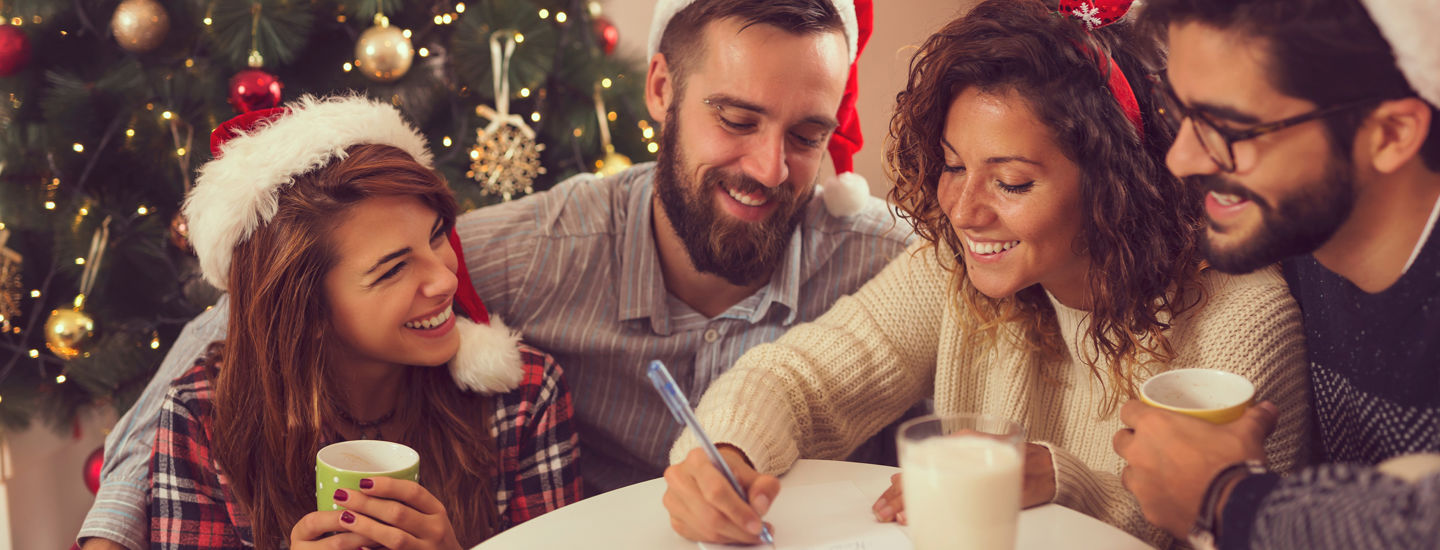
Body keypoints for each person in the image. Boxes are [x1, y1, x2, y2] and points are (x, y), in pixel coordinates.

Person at [79, 1, 911, 549]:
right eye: (735, 119)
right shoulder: (537, 250)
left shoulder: (888, 268)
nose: (769, 167)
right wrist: (109, 532)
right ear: (661, 88)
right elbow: (251, 320)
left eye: (808, 135)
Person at [659, 0, 1312, 547]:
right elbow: (799, 377)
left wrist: (1066, 483)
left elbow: (1239, 529)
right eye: (952, 166)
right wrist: (728, 454)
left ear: (1115, 187)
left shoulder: (1241, 322)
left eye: (1011, 182)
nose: (964, 210)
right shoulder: (954, 269)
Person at [146, 96, 581, 549]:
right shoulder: (205, 418)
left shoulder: (522, 397)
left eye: (437, 236)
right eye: (393, 269)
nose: (445, 280)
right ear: (305, 308)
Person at [1112, 0, 1440, 547]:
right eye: (1178, 109)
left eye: (1227, 128)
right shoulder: (1300, 236)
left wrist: (1226, 500)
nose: (1182, 159)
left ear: (1390, 134)